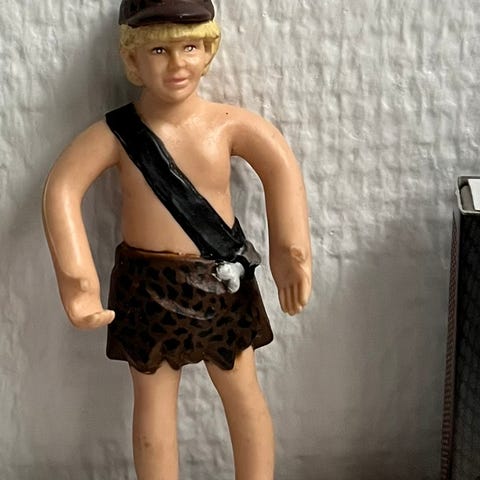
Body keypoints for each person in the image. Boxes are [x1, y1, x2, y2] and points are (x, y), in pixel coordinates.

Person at [42, 1, 312, 479]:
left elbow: (279, 164)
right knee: (153, 407)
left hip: (223, 280)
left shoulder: (228, 124)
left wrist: (291, 251)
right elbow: (62, 187)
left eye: (189, 47)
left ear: (208, 51)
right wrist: (77, 277)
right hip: (148, 288)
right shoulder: (118, 133)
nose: (177, 64)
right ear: (132, 59)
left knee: (243, 395)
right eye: (158, 50)